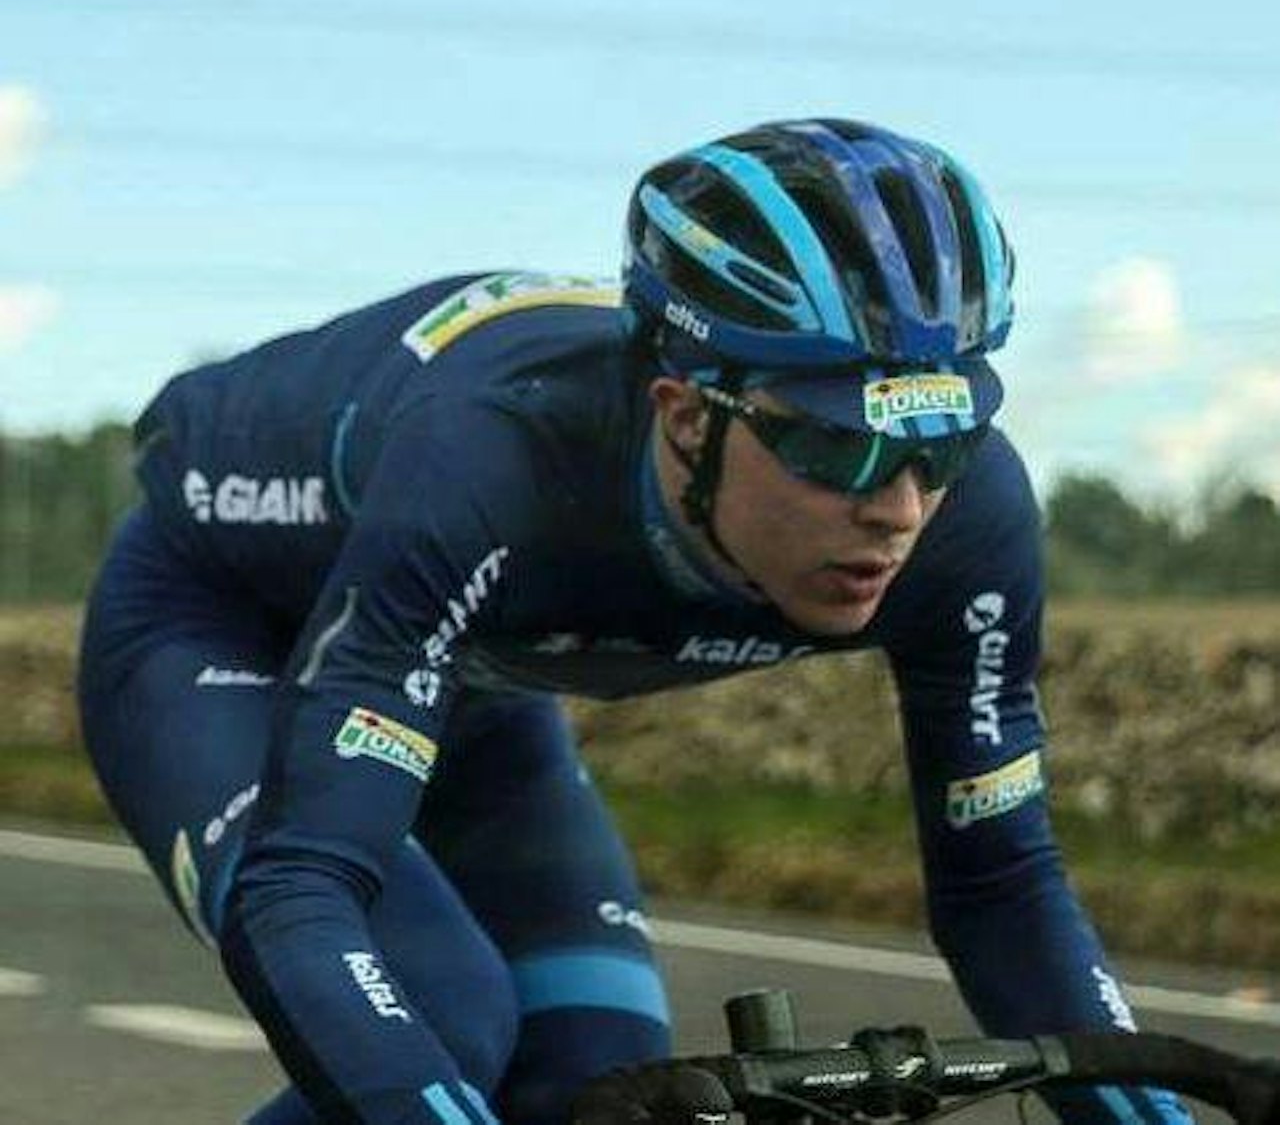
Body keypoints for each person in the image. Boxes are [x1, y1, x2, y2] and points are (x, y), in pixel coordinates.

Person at [78, 118, 1191, 1125]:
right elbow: (302, 886)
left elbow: (1000, 887)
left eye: (936, 442)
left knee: (599, 1070)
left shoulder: (969, 520)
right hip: (224, 629)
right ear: (682, 416)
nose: (896, 507)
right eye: (832, 445)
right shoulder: (492, 459)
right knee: (444, 1013)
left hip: (468, 669)